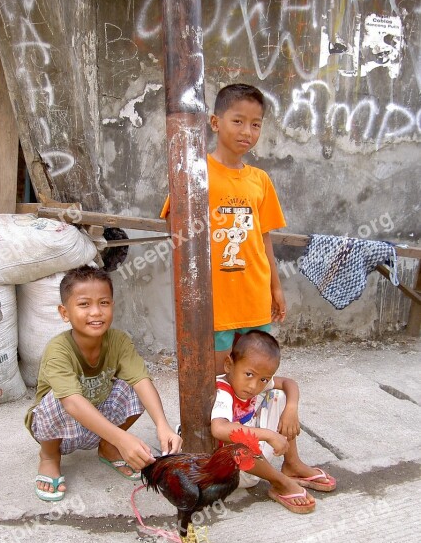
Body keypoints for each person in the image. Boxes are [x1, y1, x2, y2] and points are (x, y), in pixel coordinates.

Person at [25, 265, 182, 501]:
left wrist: (163, 425)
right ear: (64, 312)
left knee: (134, 386)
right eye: (84, 304)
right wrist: (124, 439)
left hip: (98, 422)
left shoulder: (118, 341)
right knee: (57, 399)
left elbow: (141, 380)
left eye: (104, 303)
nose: (96, 312)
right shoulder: (58, 350)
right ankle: (49, 457)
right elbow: (73, 404)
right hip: (59, 429)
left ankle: (108, 447)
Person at [161, 83, 287, 375]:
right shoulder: (195, 172)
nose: (247, 132)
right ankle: (216, 423)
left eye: (256, 124)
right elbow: (174, 227)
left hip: (254, 296)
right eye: (238, 121)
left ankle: (245, 422)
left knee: (254, 376)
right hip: (216, 300)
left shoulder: (261, 180)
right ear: (215, 123)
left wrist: (276, 288)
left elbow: (264, 238)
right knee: (217, 379)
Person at [211, 330, 336, 513]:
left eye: (263, 379)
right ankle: (279, 482)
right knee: (237, 438)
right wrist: (269, 435)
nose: (254, 386)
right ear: (229, 365)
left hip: (255, 457)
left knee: (279, 396)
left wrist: (291, 409)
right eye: (249, 375)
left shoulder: (253, 382)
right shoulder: (223, 391)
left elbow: (288, 383)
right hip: (234, 470)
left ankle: (292, 464)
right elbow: (219, 429)